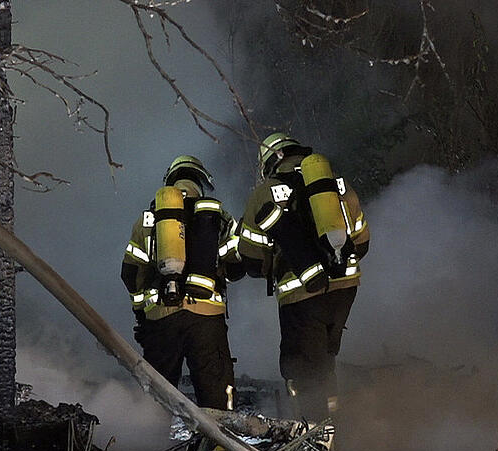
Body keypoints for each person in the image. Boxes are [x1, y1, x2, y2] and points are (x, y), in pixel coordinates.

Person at [237, 133, 369, 420]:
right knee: (324, 362)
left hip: (302, 294)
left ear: (271, 162)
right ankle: (334, 426)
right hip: (346, 289)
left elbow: (249, 256)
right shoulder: (337, 185)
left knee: (301, 370)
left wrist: (275, 261)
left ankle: (312, 437)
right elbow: (362, 243)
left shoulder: (265, 192)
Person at [121, 155, 243, 410]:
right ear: (200, 181)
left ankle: (147, 442)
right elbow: (236, 265)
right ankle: (220, 447)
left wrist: (142, 315)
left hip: (161, 318)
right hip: (207, 318)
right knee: (216, 391)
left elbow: (131, 274)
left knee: (157, 393)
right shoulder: (220, 216)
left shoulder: (148, 219)